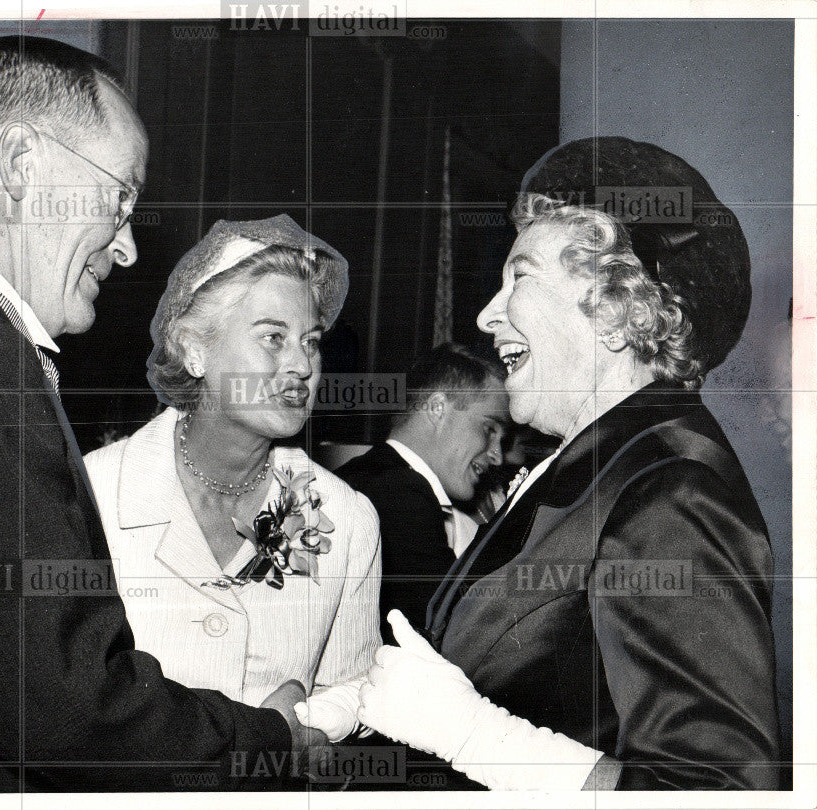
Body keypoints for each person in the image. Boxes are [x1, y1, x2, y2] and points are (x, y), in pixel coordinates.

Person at [0, 36, 316, 794]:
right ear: (21, 163)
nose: (125, 248)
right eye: (120, 196)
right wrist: (271, 743)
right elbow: (69, 711)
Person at [356, 137, 782, 790]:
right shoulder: (593, 469)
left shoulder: (672, 491)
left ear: (614, 307)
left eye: (519, 277)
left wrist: (472, 736)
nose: (485, 314)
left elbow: (721, 791)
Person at [84, 215, 381, 746]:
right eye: (273, 337)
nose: (301, 365)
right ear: (195, 350)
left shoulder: (346, 517)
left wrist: (314, 724)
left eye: (311, 342)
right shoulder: (95, 493)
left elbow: (354, 687)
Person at [336, 343, 508, 640]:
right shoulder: (399, 492)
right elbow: (453, 635)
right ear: (438, 408)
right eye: (489, 429)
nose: (497, 456)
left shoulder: (370, 477)